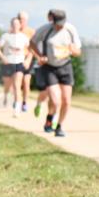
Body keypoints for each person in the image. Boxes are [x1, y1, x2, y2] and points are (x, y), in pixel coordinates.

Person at [29, 9, 82, 137]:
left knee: (67, 101)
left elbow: (78, 52)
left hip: (65, 66)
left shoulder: (70, 30)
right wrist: (40, 56)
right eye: (57, 23)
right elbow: (31, 43)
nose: (60, 26)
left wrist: (73, 51)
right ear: (52, 21)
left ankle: (59, 126)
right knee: (55, 100)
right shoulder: (45, 30)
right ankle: (49, 118)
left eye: (62, 23)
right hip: (50, 67)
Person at [0, 17, 30, 117]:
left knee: (17, 85)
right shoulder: (6, 36)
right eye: (13, 24)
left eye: (17, 24)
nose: (15, 26)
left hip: (19, 63)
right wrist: (2, 57)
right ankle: (6, 95)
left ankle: (17, 109)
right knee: (7, 85)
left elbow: (31, 50)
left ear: (20, 25)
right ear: (11, 25)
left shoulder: (23, 37)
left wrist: (27, 60)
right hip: (7, 63)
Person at [17, 11, 35, 113]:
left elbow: (33, 48)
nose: (21, 21)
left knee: (26, 81)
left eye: (23, 19)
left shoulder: (31, 32)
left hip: (28, 57)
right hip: (17, 58)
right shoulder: (14, 31)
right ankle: (17, 101)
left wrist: (28, 59)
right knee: (17, 82)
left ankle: (24, 102)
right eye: (20, 19)